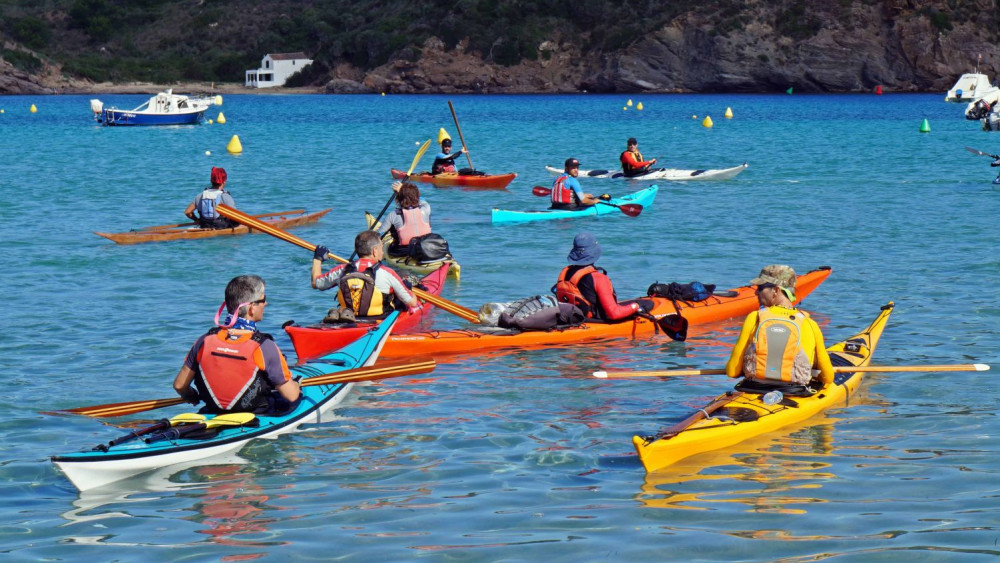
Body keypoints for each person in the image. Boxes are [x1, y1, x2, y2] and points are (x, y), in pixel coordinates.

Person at [174, 275, 299, 414]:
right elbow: (291, 395)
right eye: (263, 300)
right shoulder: (264, 346)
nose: (266, 304)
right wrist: (296, 385)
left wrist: (193, 396)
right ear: (251, 308)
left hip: (212, 410)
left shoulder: (204, 340)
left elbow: (180, 385)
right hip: (254, 414)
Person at [724, 265, 835, 390]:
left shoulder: (754, 318)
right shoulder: (809, 324)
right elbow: (828, 378)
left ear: (776, 290)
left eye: (760, 288)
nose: (756, 292)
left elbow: (732, 372)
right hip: (793, 391)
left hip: (755, 387)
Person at [311, 230, 421, 322]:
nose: (382, 252)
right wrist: (408, 288)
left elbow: (316, 283)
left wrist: (317, 258)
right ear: (374, 251)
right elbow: (412, 302)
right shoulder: (388, 272)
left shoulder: (342, 269)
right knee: (402, 302)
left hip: (350, 320)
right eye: (381, 248)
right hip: (379, 321)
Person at [552, 232, 647, 322]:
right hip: (597, 323)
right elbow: (614, 314)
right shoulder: (598, 278)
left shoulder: (565, 273)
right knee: (647, 304)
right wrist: (636, 306)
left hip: (575, 319)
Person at [379, 181, 431, 257]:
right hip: (425, 247)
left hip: (403, 251)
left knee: (390, 246)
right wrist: (404, 190)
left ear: (398, 198)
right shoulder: (426, 209)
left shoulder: (394, 215)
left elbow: (379, 235)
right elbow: (421, 199)